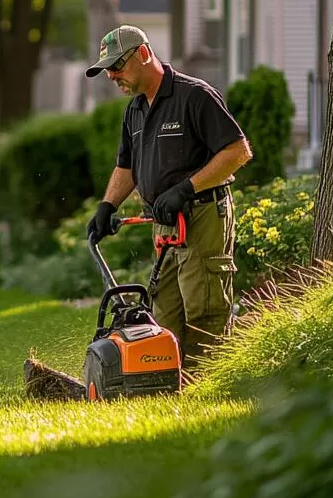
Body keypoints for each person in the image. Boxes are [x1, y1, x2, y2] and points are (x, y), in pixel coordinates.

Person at [85, 25, 252, 372]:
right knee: (165, 316)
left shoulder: (193, 96)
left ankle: (210, 391)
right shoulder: (135, 110)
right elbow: (126, 168)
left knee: (203, 311)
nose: (112, 76)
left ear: (143, 54)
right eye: (108, 70)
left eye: (117, 66)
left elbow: (237, 151)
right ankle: (169, 390)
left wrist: (186, 188)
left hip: (203, 216)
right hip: (164, 225)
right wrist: (107, 206)